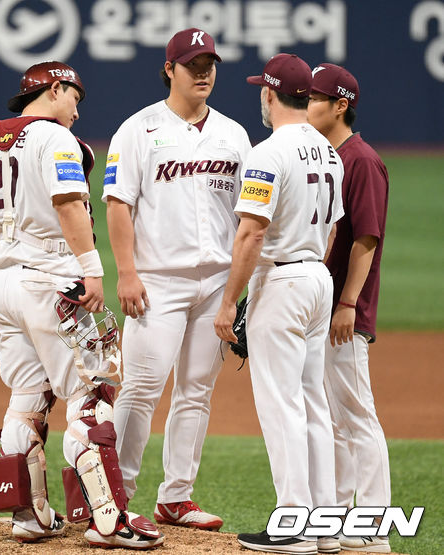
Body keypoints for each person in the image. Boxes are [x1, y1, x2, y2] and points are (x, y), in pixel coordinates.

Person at [0, 61, 163, 549]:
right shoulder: (56, 139)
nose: (77, 109)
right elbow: (69, 203)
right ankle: (109, 520)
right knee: (92, 397)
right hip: (53, 281)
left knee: (26, 398)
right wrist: (93, 270)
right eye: (75, 97)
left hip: (4, 287)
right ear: (55, 89)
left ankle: (30, 515)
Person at [102, 28, 251, 530]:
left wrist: (239, 288)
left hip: (217, 284)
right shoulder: (137, 130)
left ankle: (176, 498)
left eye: (209, 64)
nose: (203, 73)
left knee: (196, 391)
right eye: (193, 65)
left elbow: (248, 215)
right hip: (156, 283)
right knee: (141, 389)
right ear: (169, 69)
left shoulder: (233, 134)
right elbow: (117, 205)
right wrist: (126, 273)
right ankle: (115, 497)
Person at [214, 53, 345, 555]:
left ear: (269, 94)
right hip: (317, 278)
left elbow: (251, 232)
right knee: (313, 403)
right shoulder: (329, 151)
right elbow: (331, 229)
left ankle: (293, 524)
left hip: (284, 281)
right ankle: (324, 524)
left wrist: (230, 302)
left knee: (281, 406)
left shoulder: (268, 153)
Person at [308, 63, 391, 553]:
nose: (305, 104)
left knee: (357, 415)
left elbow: (366, 238)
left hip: (344, 314)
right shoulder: (327, 157)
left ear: (340, 105)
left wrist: (347, 304)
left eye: (314, 98)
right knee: (334, 419)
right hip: (322, 309)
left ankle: (374, 525)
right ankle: (337, 518)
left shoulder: (361, 161)